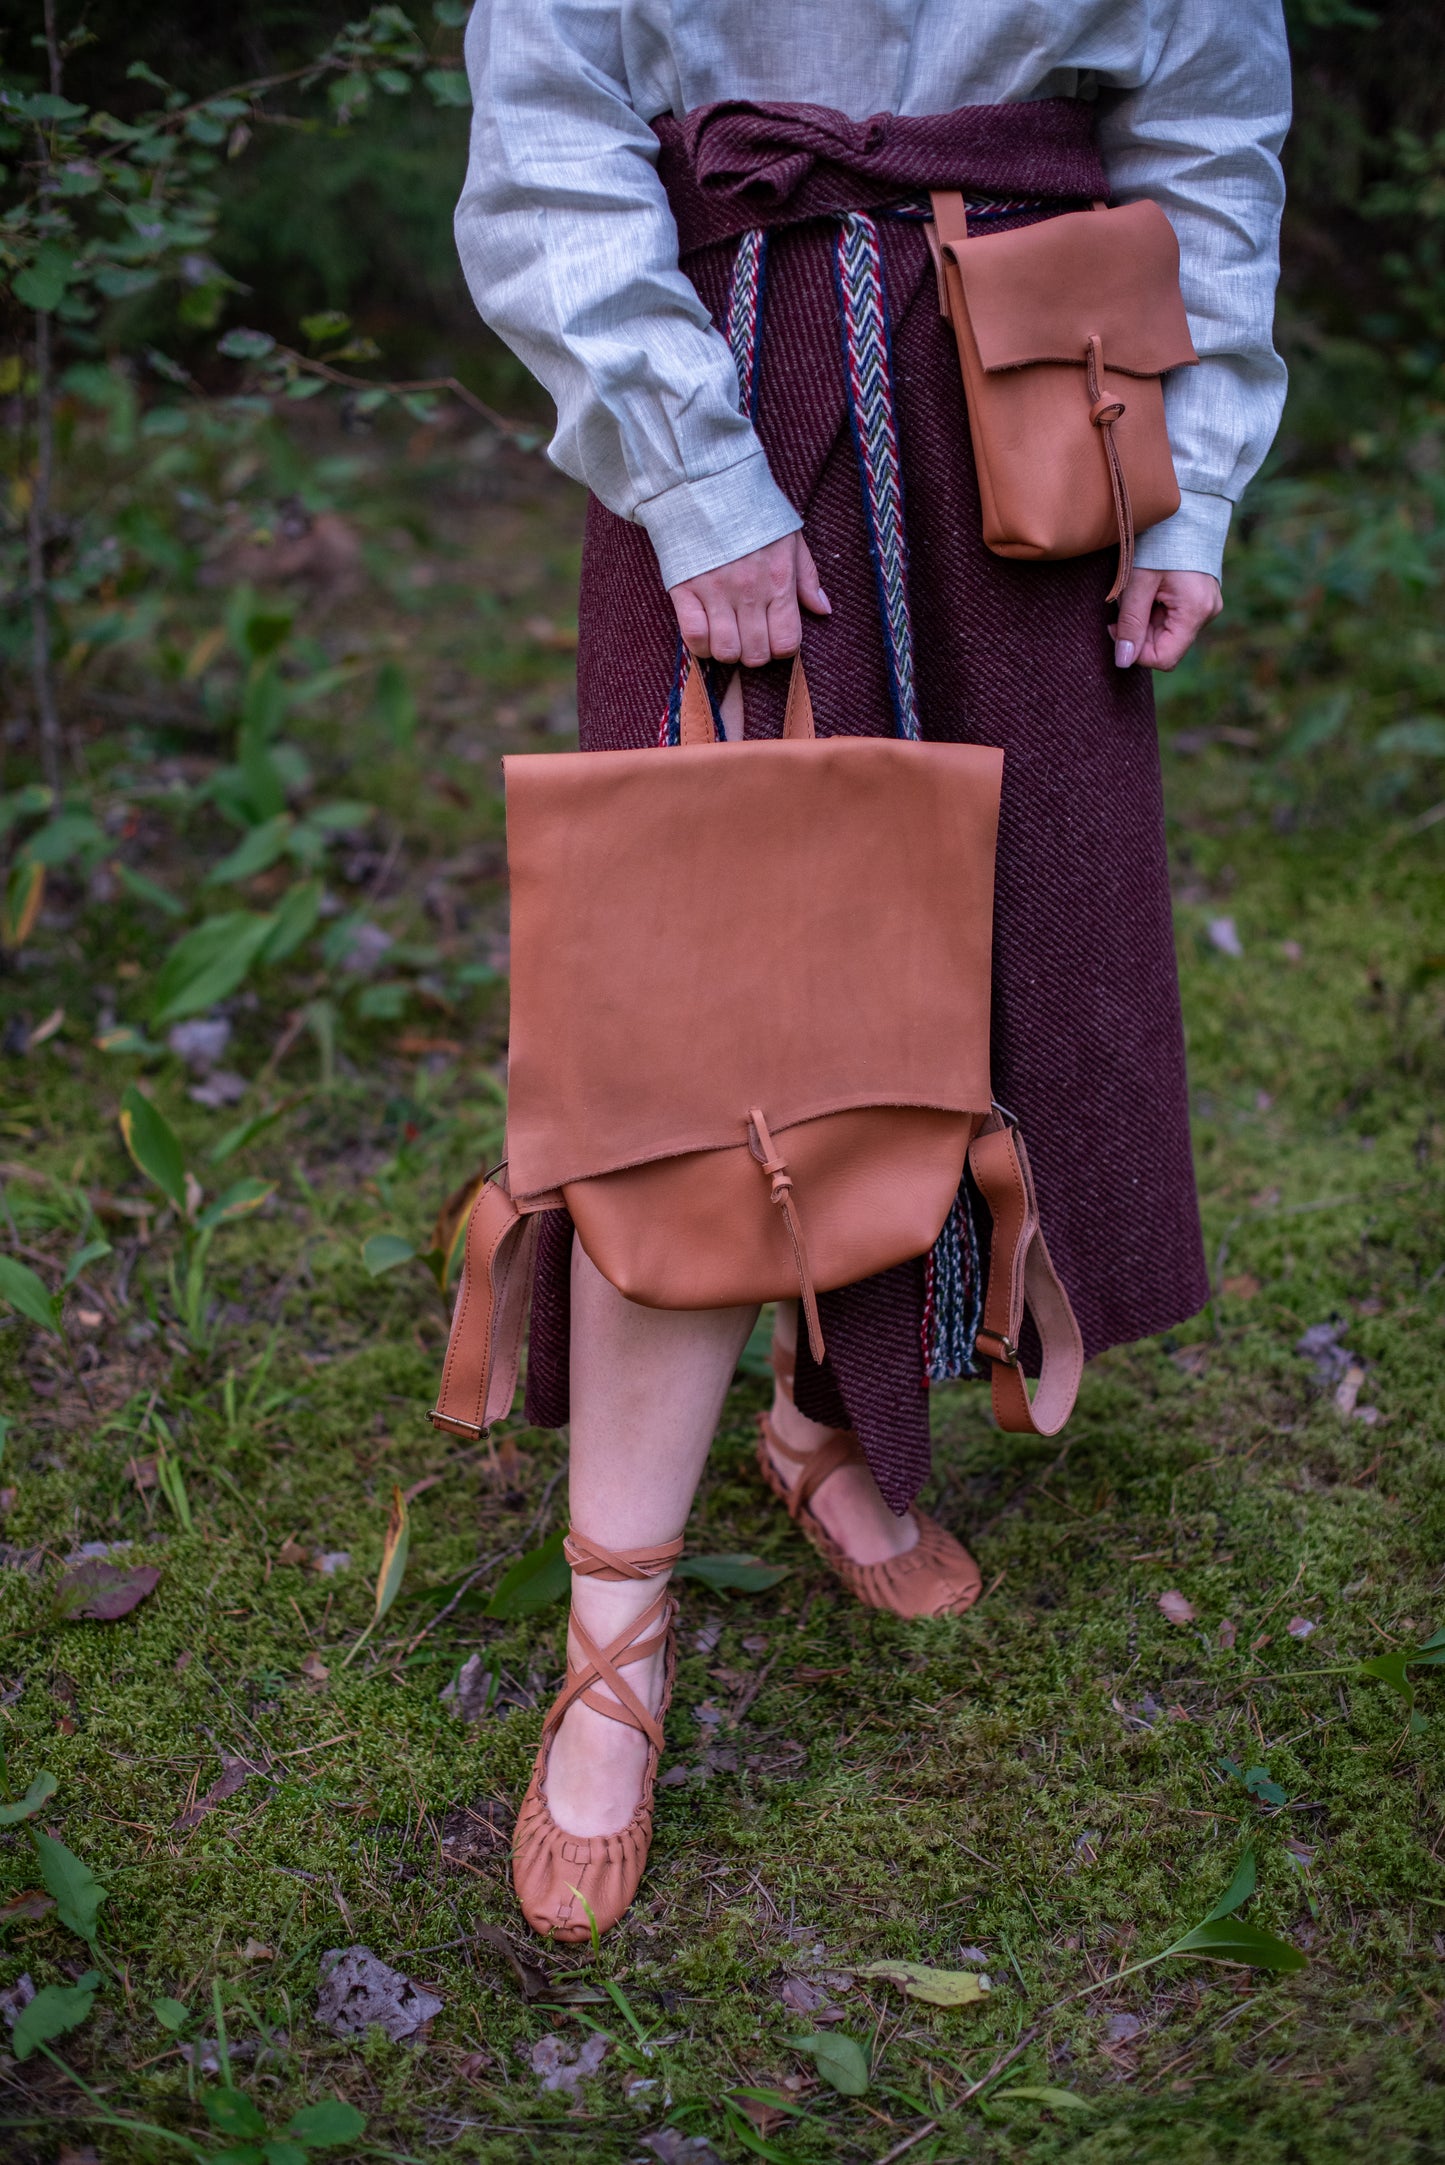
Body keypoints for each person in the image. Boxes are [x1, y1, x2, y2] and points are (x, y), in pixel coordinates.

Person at [453, 0, 1289, 1942]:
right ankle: (617, 1624)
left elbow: (1212, 119)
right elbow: (550, 100)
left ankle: (829, 1420)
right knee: (702, 991)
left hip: (1029, 380)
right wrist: (691, 468)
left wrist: (1195, 459)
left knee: (987, 951)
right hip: (735, 361)